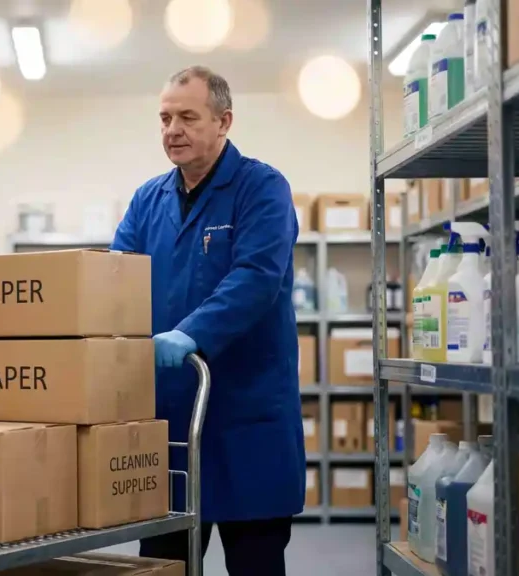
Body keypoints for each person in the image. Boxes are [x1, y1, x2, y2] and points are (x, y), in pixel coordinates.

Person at [110, 66, 305, 575]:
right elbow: (116, 278)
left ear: (224, 121)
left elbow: (257, 277)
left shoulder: (262, 188)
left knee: (254, 562)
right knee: (164, 565)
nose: (172, 129)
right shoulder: (147, 199)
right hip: (172, 420)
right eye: (164, 118)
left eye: (187, 117)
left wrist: (191, 333)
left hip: (246, 416)